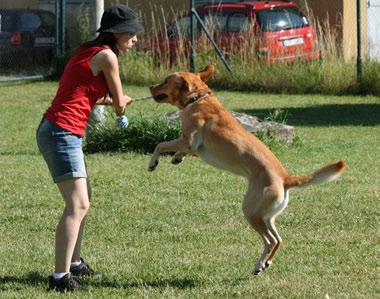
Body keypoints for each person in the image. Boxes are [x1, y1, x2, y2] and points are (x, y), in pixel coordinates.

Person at [36, 4, 144, 292]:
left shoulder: (88, 51)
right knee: (78, 204)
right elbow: (119, 104)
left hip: (57, 129)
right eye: (131, 34)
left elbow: (81, 94)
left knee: (84, 199)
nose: (134, 39)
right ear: (116, 34)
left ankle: (74, 264)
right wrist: (121, 104)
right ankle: (60, 278)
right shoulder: (108, 57)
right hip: (62, 132)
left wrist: (114, 101)